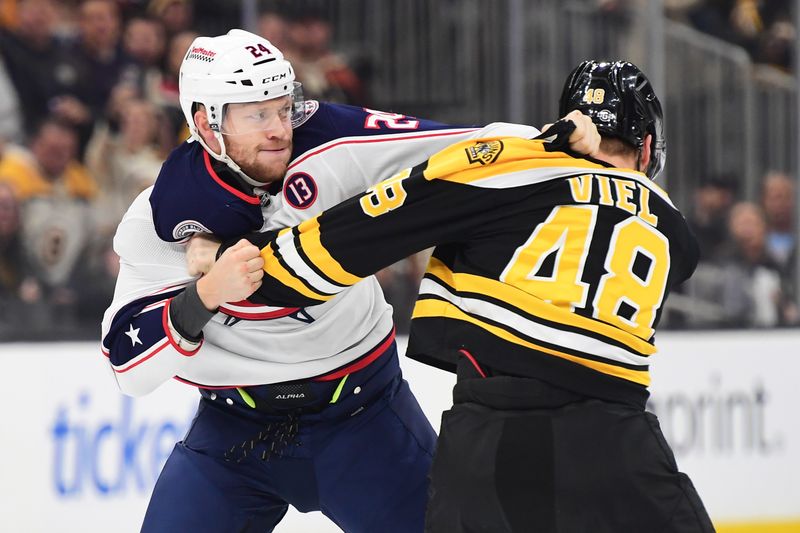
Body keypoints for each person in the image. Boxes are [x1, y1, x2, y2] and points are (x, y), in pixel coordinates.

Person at [101, 29, 597, 532]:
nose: (279, 130)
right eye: (256, 115)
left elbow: (458, 146)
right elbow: (128, 369)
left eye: (282, 107)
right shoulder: (157, 221)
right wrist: (204, 297)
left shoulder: (331, 141)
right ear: (206, 123)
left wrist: (548, 141)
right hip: (235, 436)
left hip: (364, 419)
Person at [191, 60, 715, 532]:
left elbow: (363, 231)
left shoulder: (511, 166)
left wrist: (248, 260)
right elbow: (660, 250)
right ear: (647, 148)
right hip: (616, 443)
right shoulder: (672, 225)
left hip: (489, 440)